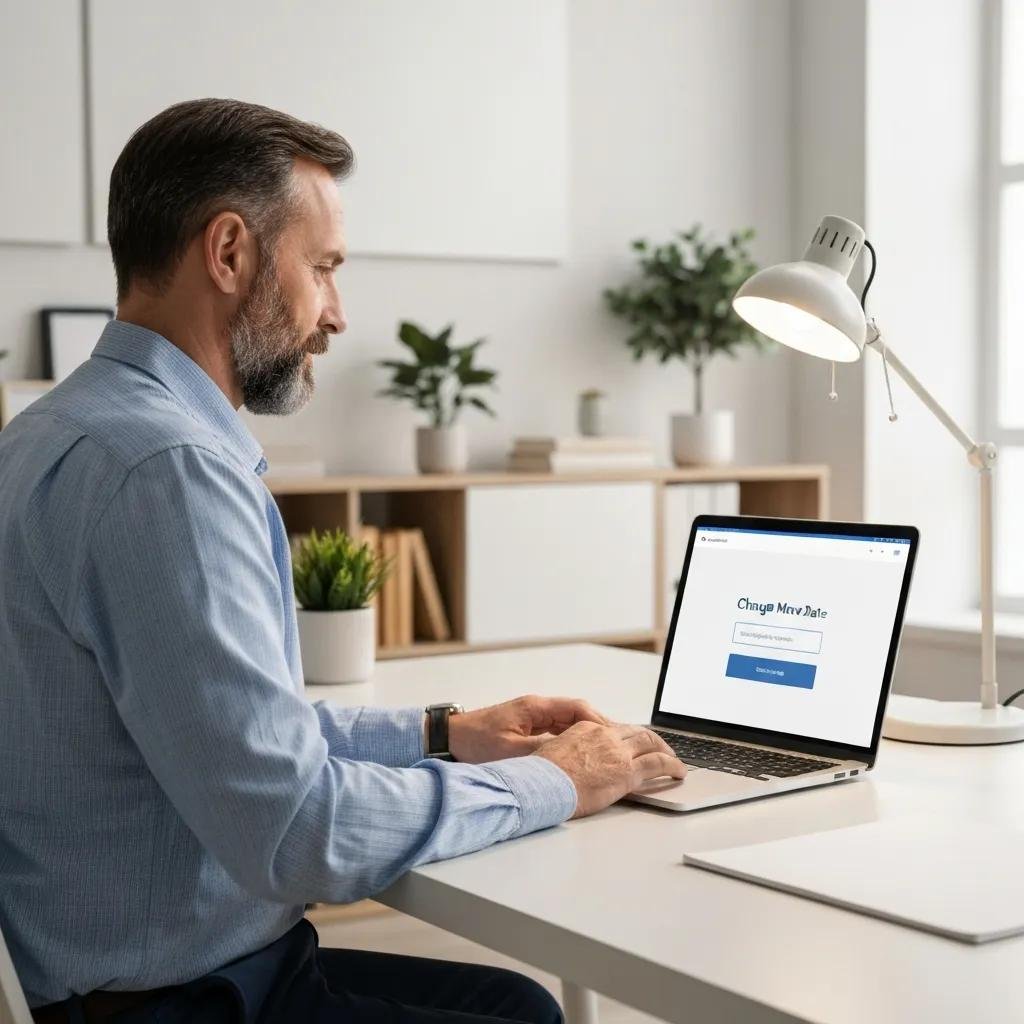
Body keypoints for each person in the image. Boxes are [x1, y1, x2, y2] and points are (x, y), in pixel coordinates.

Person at [0, 98, 686, 1024]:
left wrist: (447, 732)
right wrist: (562, 780)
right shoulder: (172, 473)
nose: (336, 314)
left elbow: (234, 735)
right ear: (231, 253)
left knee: (519, 1003)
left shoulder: (46, 433)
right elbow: (296, 831)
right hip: (181, 1003)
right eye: (322, 269)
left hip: (134, 976)